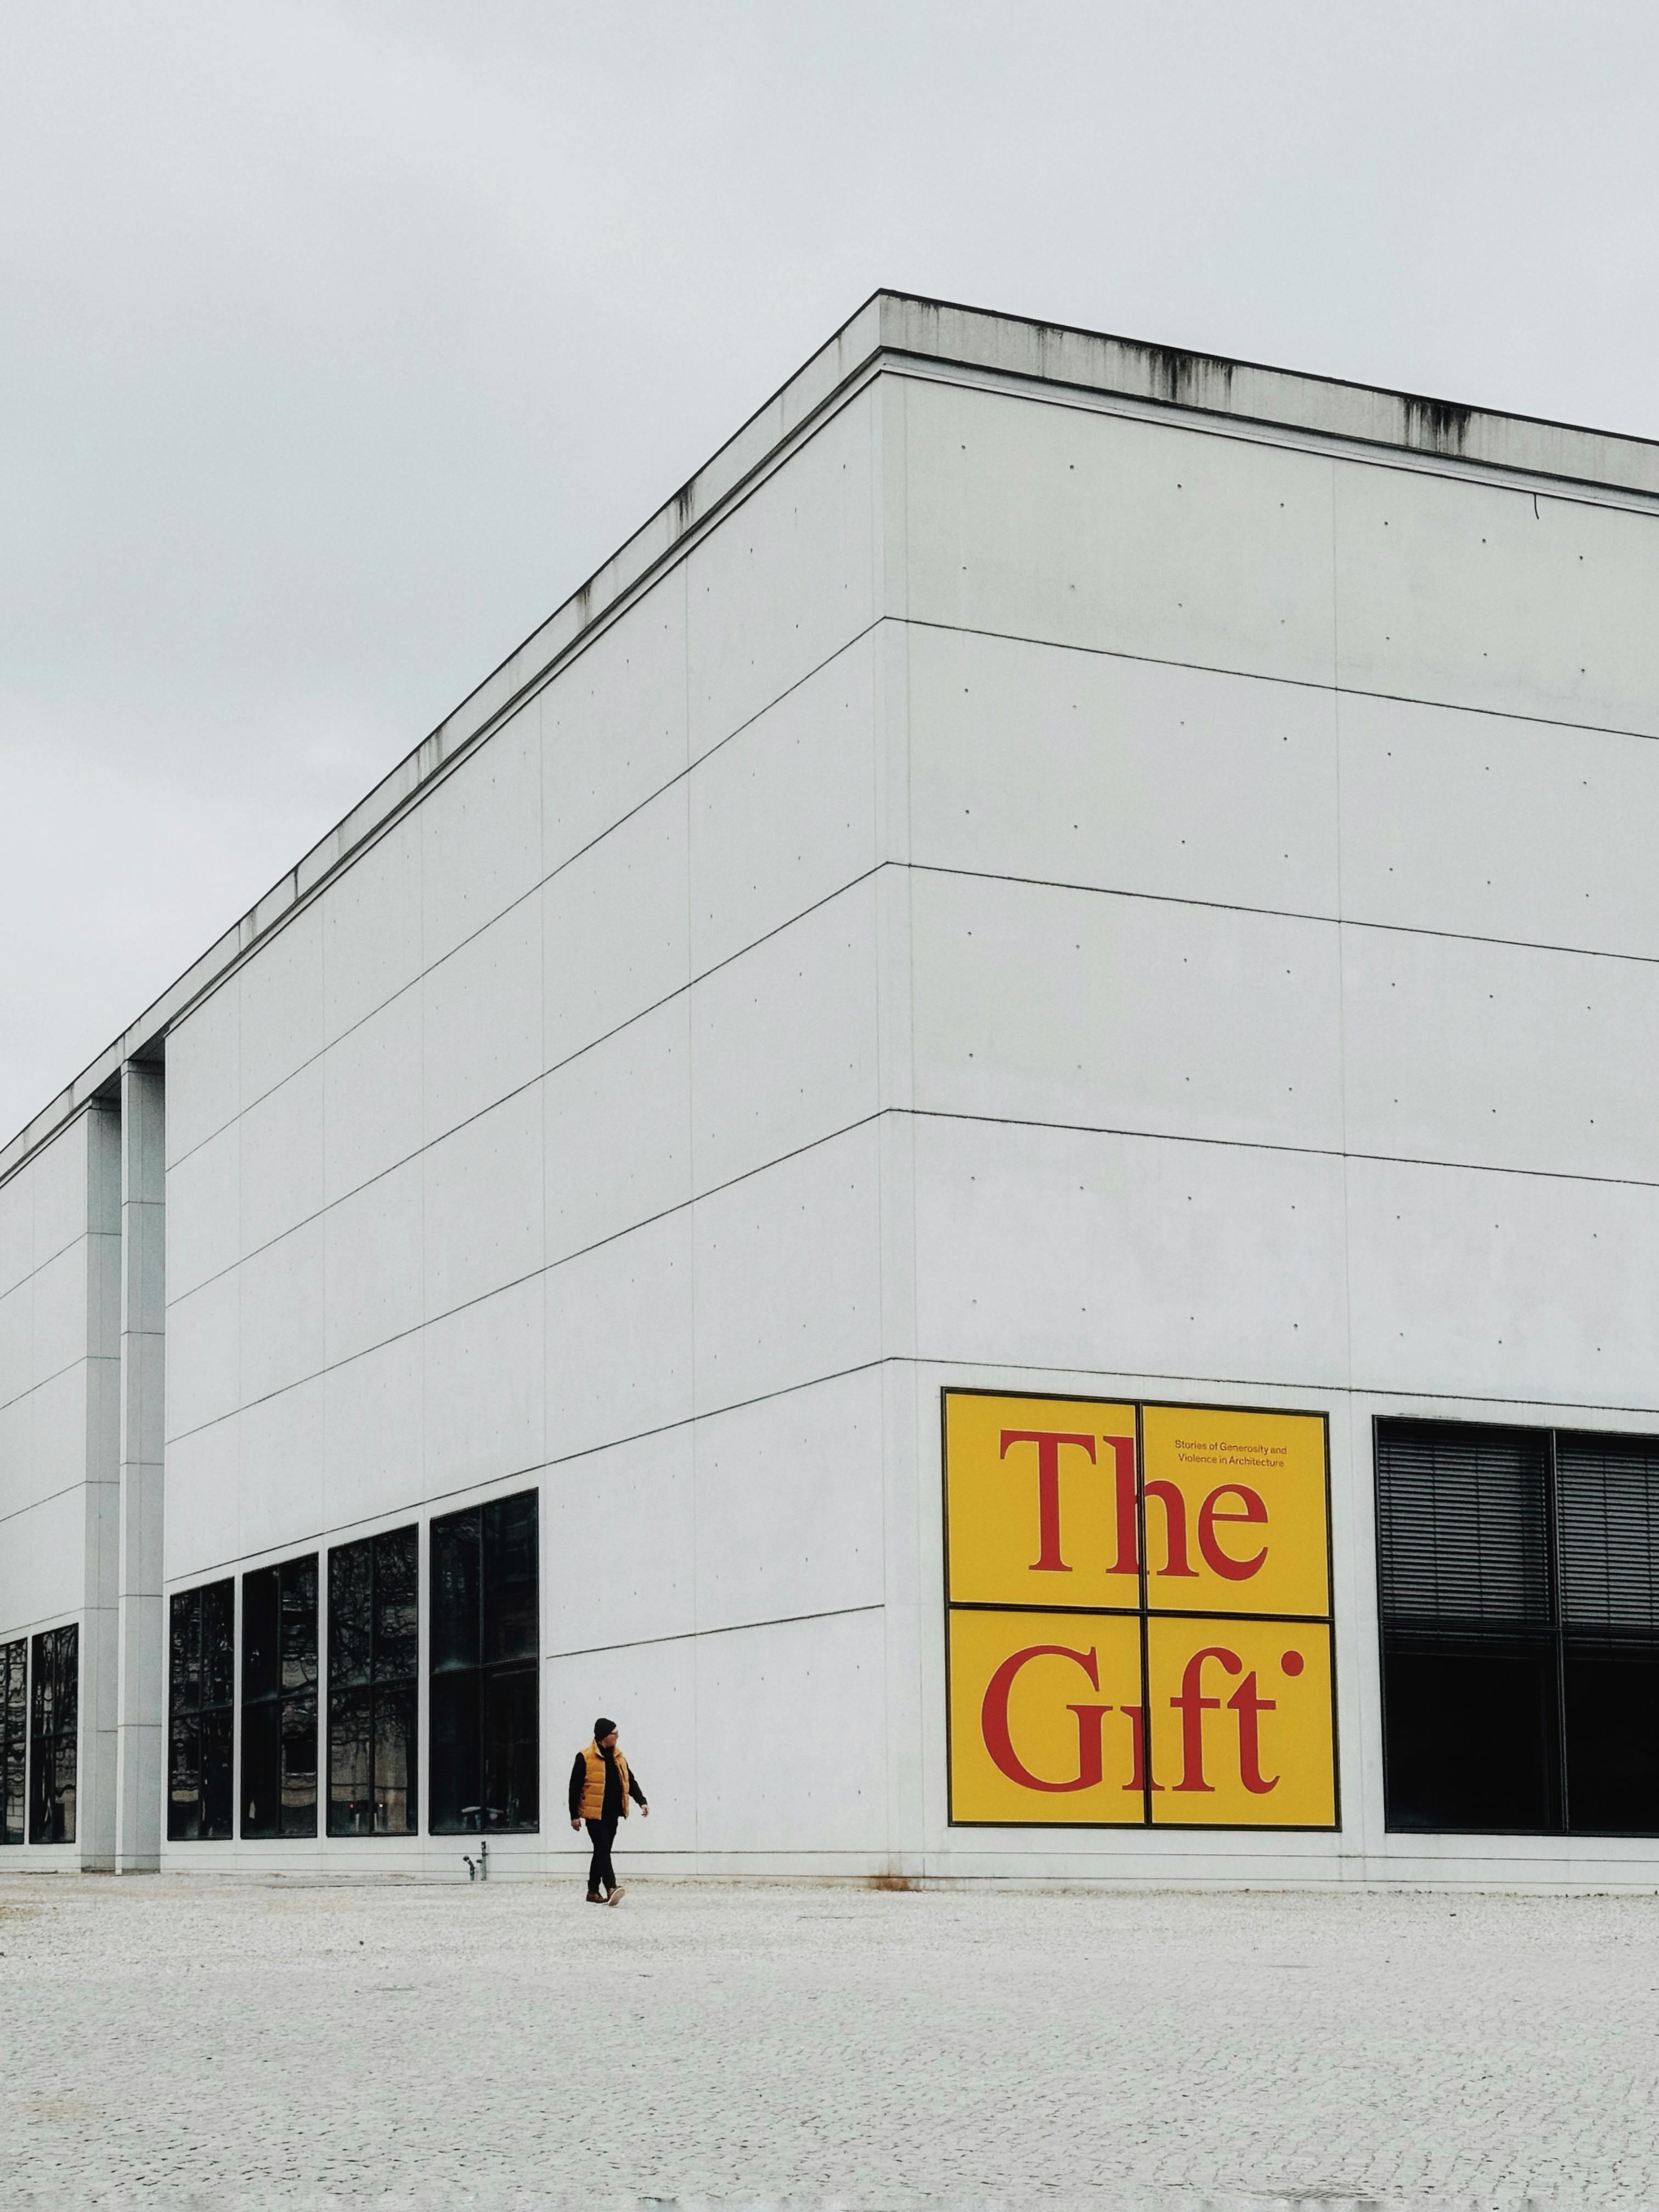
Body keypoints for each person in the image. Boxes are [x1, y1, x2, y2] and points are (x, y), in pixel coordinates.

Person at [569, 1717, 648, 1905]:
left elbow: (630, 1781)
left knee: (601, 1850)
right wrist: (574, 1815)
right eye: (615, 1733)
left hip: (613, 1813)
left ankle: (592, 1891)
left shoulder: (618, 1756)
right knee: (603, 1848)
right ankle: (611, 1887)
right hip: (594, 1814)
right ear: (605, 1736)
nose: (618, 1736)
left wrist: (641, 1801)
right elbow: (574, 1787)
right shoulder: (585, 1757)